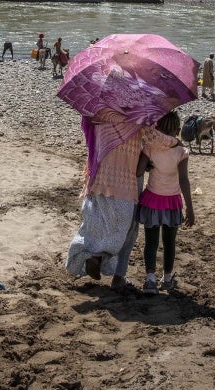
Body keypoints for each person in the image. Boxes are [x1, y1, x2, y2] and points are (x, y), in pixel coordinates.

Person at [66, 109, 179, 294]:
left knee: (97, 221)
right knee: (128, 229)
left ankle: (91, 254)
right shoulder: (139, 110)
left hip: (99, 174)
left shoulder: (99, 109)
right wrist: (175, 142)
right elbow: (153, 138)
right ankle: (113, 272)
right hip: (126, 178)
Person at [136, 111, 195, 295]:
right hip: (172, 203)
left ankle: (150, 279)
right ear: (178, 131)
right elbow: (184, 181)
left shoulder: (151, 148)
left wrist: (146, 162)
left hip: (152, 200)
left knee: (151, 242)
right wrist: (190, 209)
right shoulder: (181, 152)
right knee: (170, 242)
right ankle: (167, 279)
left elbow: (138, 172)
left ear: (157, 128)